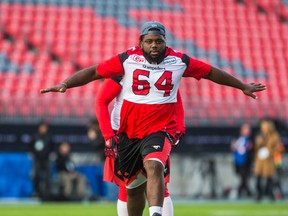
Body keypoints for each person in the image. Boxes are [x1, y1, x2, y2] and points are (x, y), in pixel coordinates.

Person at [40, 21, 266, 216]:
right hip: (128, 132)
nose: (154, 45)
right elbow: (93, 73)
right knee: (132, 187)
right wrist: (66, 84)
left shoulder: (179, 61)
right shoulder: (127, 60)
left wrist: (241, 86)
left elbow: (211, 72)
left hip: (160, 128)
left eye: (158, 41)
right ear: (141, 43)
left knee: (155, 166)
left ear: (165, 42)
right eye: (149, 41)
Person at [95, 76, 185, 215]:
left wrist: (179, 127)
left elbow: (175, 98)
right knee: (126, 186)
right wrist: (108, 135)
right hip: (124, 135)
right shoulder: (123, 68)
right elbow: (101, 101)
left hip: (155, 132)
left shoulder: (165, 67)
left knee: (159, 183)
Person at [254, 120, 283, 201]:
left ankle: (270, 194)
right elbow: (256, 149)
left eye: (265, 127)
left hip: (269, 160)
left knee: (269, 178)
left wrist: (270, 153)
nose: (264, 129)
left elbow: (278, 149)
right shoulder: (259, 136)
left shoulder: (275, 136)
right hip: (260, 160)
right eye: (263, 127)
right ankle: (259, 194)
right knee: (258, 178)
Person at [30, 120, 55, 200]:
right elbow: (31, 147)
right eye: (42, 127)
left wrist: (50, 155)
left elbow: (52, 148)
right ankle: (36, 192)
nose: (43, 129)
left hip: (46, 160)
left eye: (45, 128)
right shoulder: (35, 136)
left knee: (47, 177)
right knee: (36, 176)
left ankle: (47, 193)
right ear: (39, 128)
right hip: (37, 160)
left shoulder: (49, 137)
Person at [231, 123, 253, 198]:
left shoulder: (251, 139)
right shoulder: (237, 138)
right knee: (243, 177)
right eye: (245, 129)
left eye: (248, 129)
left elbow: (252, 149)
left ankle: (239, 192)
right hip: (239, 161)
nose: (247, 130)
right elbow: (232, 148)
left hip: (247, 161)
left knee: (245, 177)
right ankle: (245, 192)